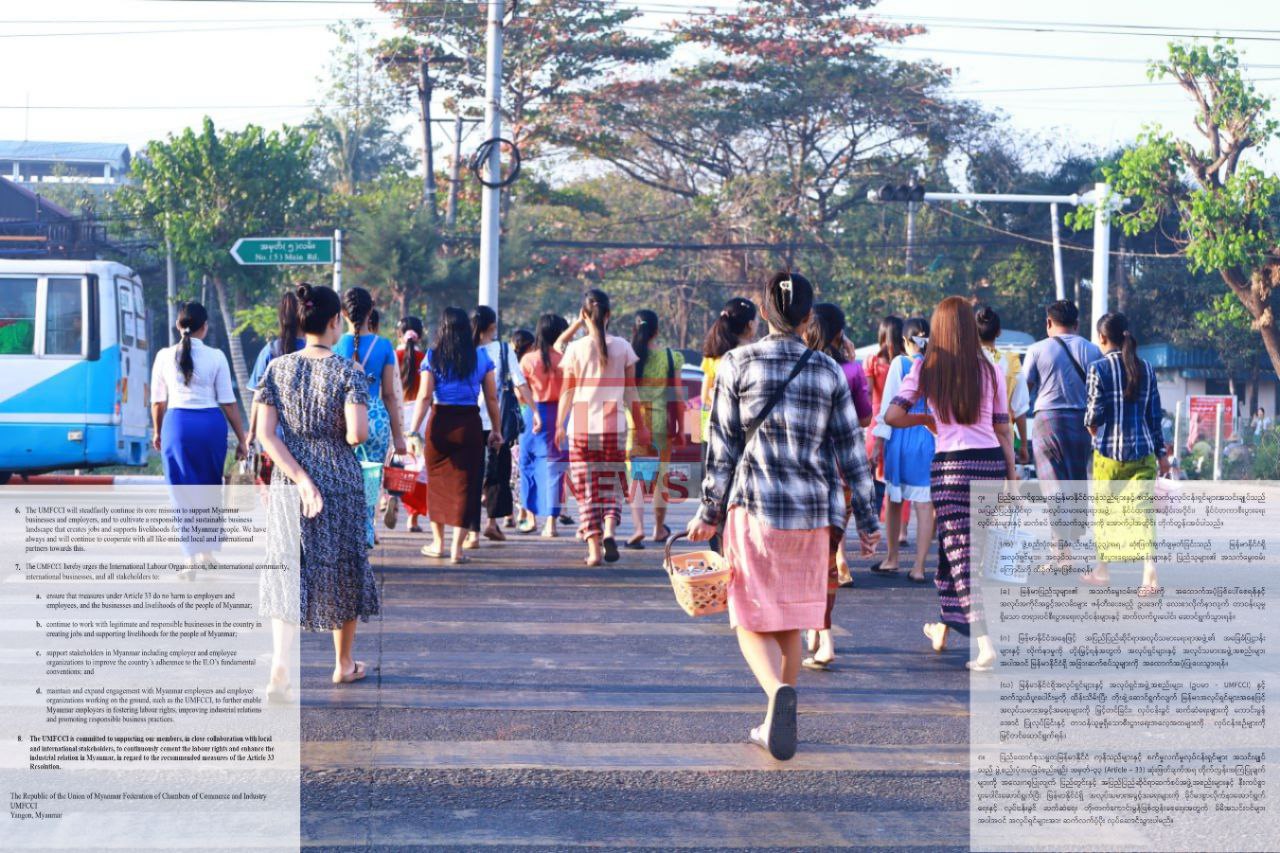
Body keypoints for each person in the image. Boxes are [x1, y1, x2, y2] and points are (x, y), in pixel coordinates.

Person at [687, 271, 879, 761]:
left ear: (765, 313)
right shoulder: (828, 370)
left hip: (754, 507)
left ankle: (776, 694)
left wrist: (709, 510)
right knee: (792, 616)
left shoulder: (735, 363)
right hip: (814, 512)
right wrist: (869, 520)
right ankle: (776, 719)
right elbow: (851, 451)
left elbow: (721, 446)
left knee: (748, 613)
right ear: (807, 317)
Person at [255, 282, 378, 688]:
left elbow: (265, 435)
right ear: (334, 321)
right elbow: (357, 435)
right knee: (343, 565)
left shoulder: (277, 368)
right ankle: (343, 664)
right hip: (339, 477)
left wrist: (301, 477)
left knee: (289, 565)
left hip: (289, 478)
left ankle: (281, 667)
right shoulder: (347, 371)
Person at [883, 296, 1015, 672]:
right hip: (989, 464)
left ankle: (985, 644)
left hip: (952, 469)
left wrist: (925, 419)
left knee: (962, 555)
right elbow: (1003, 430)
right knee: (957, 553)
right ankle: (943, 625)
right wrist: (1013, 479)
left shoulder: (927, 367)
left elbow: (892, 415)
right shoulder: (990, 370)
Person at [801, 302, 873, 670]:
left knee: (804, 559)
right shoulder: (850, 370)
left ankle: (820, 634)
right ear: (840, 332)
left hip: (799, 474)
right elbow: (864, 417)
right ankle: (820, 634)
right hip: (839, 473)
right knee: (826, 557)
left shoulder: (798, 366)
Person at [555, 289, 647, 566]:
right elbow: (631, 392)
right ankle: (609, 529)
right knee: (612, 484)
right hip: (614, 427)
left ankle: (594, 550)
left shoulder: (575, 349)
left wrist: (560, 425)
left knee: (586, 491)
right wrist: (641, 426)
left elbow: (567, 393)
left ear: (583, 316)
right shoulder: (623, 347)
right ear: (609, 315)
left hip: (582, 427)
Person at [1080, 312, 1168, 595]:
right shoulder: (1147, 369)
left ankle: (1103, 570)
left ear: (1102, 338)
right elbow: (1155, 418)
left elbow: (1093, 416)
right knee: (1143, 515)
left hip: (1108, 456)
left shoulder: (1098, 369)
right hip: (1143, 453)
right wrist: (1162, 454)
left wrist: (1093, 428)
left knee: (1106, 514)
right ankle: (1149, 575)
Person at [409, 307, 504, 563]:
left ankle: (438, 543)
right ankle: (457, 550)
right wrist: (496, 430)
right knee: (467, 486)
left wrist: (412, 430)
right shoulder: (481, 358)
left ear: (443, 328)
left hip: (440, 423)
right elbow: (492, 398)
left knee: (437, 483)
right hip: (469, 425)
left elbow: (425, 397)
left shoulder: (433, 356)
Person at [335, 288, 408, 547]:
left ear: (342, 312)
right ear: (371, 309)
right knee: (369, 481)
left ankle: (344, 535)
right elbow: (389, 394)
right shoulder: (384, 346)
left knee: (341, 481)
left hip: (342, 418)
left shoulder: (333, 346)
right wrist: (399, 436)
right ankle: (366, 533)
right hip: (375, 417)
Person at [150, 301, 248, 486]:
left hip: (176, 426)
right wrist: (242, 440)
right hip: (210, 427)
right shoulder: (217, 356)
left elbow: (158, 402)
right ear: (205, 327)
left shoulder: (163, 356)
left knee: (180, 494)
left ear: (178, 326)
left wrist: (157, 432)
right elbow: (228, 403)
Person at [870, 317, 935, 583]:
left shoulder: (900, 363)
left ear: (906, 342)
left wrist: (878, 443)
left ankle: (892, 558)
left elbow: (888, 408)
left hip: (901, 435)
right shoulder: (937, 366)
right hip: (929, 436)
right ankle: (919, 567)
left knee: (894, 500)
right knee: (924, 503)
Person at [469, 306, 533, 546]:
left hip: (469, 420)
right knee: (498, 473)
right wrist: (534, 411)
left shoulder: (465, 351)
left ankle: (471, 532)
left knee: (472, 474)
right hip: (500, 420)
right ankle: (492, 524)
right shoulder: (504, 350)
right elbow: (520, 384)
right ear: (492, 326)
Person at [625, 309, 686, 549]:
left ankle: (638, 527)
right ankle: (658, 528)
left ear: (634, 330)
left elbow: (626, 392)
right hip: (662, 426)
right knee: (661, 478)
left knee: (637, 478)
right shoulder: (671, 358)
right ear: (657, 330)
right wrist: (682, 429)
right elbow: (678, 396)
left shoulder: (630, 356)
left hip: (635, 424)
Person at [519, 314, 570, 537]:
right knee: (555, 469)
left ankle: (530, 518)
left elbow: (520, 393)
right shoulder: (566, 359)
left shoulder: (528, 360)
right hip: (560, 414)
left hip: (533, 414)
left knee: (528, 465)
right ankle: (551, 523)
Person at [246, 290, 306, 453]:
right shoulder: (317, 350)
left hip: (275, 437)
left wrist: (251, 433)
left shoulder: (271, 350)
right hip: (311, 437)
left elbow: (259, 396)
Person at [974, 305, 1031, 465]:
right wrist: (1024, 446)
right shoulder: (1011, 363)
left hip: (971, 438)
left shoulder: (964, 363)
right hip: (1003, 440)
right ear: (998, 332)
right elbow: (1019, 409)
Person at [700, 297, 758, 442]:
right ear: (750, 324)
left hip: (715, 432)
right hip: (747, 436)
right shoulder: (756, 357)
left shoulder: (713, 356)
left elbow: (705, 396)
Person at [863, 316, 906, 515]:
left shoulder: (872, 361)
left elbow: (869, 392)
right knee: (899, 477)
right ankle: (902, 530)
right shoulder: (906, 363)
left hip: (875, 421)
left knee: (874, 475)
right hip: (900, 421)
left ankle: (874, 520)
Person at [394, 316, 427, 532]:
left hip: (398, 411)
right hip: (420, 415)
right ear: (420, 335)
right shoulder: (425, 358)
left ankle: (392, 497)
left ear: (399, 334)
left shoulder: (393, 356)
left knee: (397, 461)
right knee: (418, 466)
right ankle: (413, 518)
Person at [509, 328, 537, 531]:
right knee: (524, 467)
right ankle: (523, 512)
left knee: (512, 469)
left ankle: (512, 513)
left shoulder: (509, 364)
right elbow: (521, 395)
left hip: (509, 420)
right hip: (525, 417)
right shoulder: (528, 365)